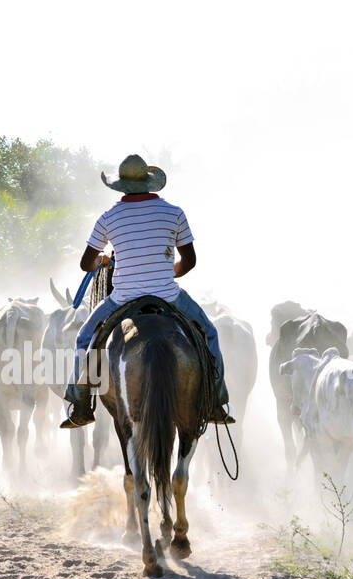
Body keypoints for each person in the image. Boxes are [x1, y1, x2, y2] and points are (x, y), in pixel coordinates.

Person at [59, 154, 235, 428]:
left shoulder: (108, 217)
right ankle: (216, 400)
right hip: (167, 294)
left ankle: (80, 403)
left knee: (84, 338)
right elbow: (189, 261)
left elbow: (85, 264)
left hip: (122, 298)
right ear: (149, 182)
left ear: (120, 187)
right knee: (209, 332)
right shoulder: (173, 212)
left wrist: (104, 260)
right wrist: (165, 273)